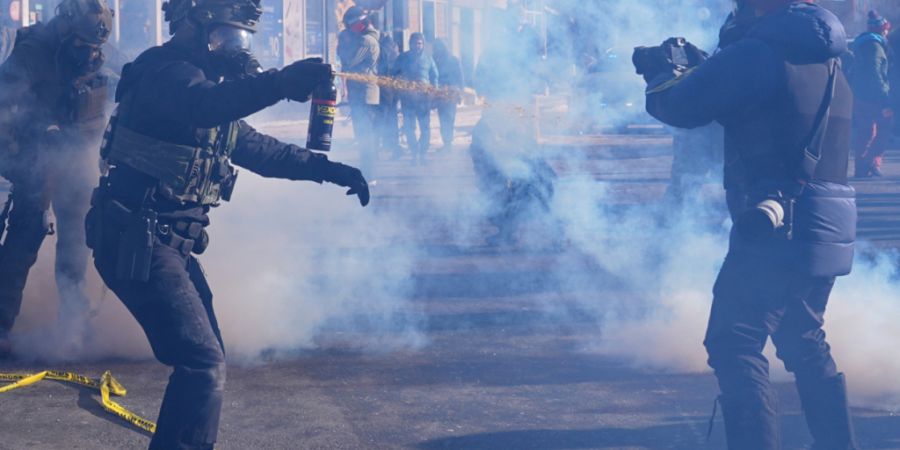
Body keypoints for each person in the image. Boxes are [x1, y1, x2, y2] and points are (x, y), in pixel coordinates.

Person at [84, 0, 369, 448]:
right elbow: (204, 106)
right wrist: (278, 83)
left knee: (205, 359)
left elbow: (260, 150)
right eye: (227, 37)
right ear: (194, 28)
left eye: (242, 40)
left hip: (166, 243)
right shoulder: (164, 72)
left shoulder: (205, 95)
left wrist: (330, 170)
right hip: (137, 241)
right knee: (202, 361)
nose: (235, 50)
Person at [637, 1, 858, 449]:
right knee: (803, 339)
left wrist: (662, 72)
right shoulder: (829, 57)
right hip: (826, 223)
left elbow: (680, 107)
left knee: (734, 342)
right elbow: (770, 111)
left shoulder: (759, 52)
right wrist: (714, 66)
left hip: (777, 226)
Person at [0, 0, 113, 358]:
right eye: (82, 46)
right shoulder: (32, 54)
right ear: (64, 28)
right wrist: (24, 160)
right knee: (27, 229)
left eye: (95, 48)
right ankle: (1, 326)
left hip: (77, 153)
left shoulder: (92, 42)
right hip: (36, 155)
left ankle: (73, 322)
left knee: (77, 235)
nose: (89, 54)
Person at [849, 10, 893, 178]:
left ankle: (863, 166)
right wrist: (884, 98)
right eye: (886, 29)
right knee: (882, 129)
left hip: (861, 94)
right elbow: (876, 74)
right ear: (882, 29)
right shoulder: (874, 47)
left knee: (866, 131)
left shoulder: (864, 43)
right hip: (873, 97)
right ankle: (869, 163)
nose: (887, 32)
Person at [337, 6, 379, 175]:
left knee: (365, 137)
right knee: (363, 136)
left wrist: (342, 46)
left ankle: (369, 174)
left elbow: (350, 61)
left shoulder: (366, 41)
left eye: (349, 26)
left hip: (365, 96)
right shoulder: (362, 38)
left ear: (359, 23)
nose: (348, 30)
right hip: (360, 95)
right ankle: (368, 172)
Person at [393, 32, 437, 165]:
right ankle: (414, 153)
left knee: (425, 127)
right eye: (414, 43)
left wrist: (433, 91)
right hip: (407, 99)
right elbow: (395, 74)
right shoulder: (402, 58)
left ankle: (423, 154)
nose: (417, 46)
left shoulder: (429, 59)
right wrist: (400, 86)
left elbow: (435, 76)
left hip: (424, 99)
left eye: (419, 43)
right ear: (410, 44)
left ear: (422, 44)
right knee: (409, 127)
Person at [432, 39, 464, 153]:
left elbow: (460, 78)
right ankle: (447, 143)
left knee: (448, 119)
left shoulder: (454, 60)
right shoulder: (435, 60)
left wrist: (460, 93)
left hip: (451, 93)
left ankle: (448, 144)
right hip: (441, 94)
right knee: (444, 119)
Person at [377, 31, 402, 159]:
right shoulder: (394, 48)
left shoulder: (382, 49)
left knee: (381, 120)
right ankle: (394, 148)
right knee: (392, 121)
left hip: (385, 91)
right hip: (392, 90)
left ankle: (376, 149)